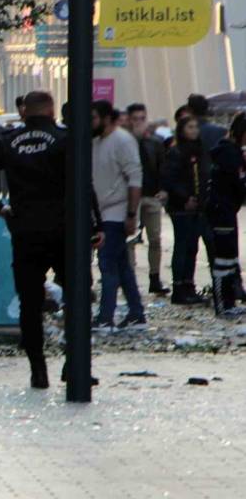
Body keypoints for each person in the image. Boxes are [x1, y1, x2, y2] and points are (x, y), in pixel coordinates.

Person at [0, 91, 104, 389]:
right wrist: (96, 224)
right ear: (52, 110)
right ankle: (74, 363)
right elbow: (84, 183)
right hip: (65, 230)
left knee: (30, 304)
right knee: (76, 297)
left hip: (26, 231)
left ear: (25, 111)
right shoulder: (65, 139)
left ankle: (37, 370)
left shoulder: (8, 141)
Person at [92, 100, 147, 332]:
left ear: (106, 118)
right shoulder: (95, 141)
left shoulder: (122, 141)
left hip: (116, 212)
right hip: (102, 213)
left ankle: (106, 317)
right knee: (122, 266)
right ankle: (136, 314)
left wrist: (131, 214)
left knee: (108, 266)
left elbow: (135, 179)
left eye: (94, 117)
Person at [162, 114, 212, 305]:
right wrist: (184, 198)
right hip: (181, 208)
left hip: (197, 207)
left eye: (195, 127)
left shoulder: (200, 150)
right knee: (182, 246)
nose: (194, 131)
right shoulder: (176, 152)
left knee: (192, 246)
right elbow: (169, 179)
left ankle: (188, 285)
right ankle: (179, 287)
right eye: (190, 127)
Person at [206, 112, 246, 315]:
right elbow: (237, 184)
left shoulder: (228, 151)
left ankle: (228, 303)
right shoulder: (229, 154)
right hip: (222, 210)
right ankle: (223, 304)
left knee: (229, 258)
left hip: (225, 209)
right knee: (224, 260)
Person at [126, 103, 169, 294]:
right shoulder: (126, 142)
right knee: (131, 240)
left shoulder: (155, 143)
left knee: (155, 239)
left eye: (142, 118)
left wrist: (163, 189)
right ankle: (130, 278)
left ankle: (154, 277)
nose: (139, 123)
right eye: (135, 119)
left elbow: (162, 168)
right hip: (131, 197)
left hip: (151, 195)